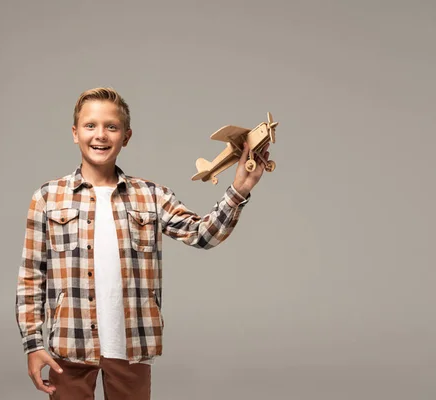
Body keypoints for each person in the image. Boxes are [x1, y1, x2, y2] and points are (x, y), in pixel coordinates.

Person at [15, 87, 270, 399]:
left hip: (132, 346)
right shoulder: (47, 197)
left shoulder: (151, 196)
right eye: (90, 125)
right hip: (69, 345)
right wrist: (33, 343)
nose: (101, 135)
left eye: (112, 126)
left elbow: (203, 234)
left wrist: (239, 189)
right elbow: (31, 276)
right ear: (74, 132)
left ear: (127, 135)